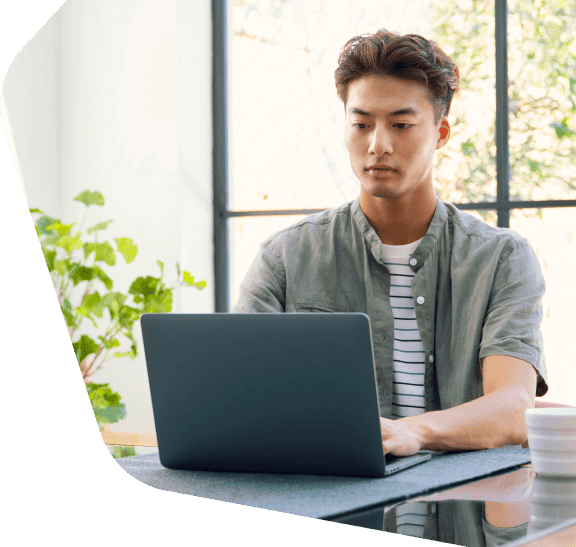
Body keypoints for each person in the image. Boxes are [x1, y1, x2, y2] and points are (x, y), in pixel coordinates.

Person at [234, 29, 548, 456]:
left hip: (464, 513)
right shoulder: (285, 258)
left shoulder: (502, 259)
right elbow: (240, 400)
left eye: (401, 125)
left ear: (440, 133)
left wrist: (414, 432)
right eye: (361, 124)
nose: (377, 145)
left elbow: (513, 407)